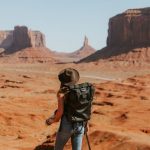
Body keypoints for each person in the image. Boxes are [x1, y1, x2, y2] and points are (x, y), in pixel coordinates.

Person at [45, 68, 94, 150]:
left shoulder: (62, 93)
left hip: (67, 126)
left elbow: (60, 114)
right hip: (81, 126)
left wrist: (50, 121)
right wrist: (86, 124)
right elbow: (86, 109)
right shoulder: (84, 91)